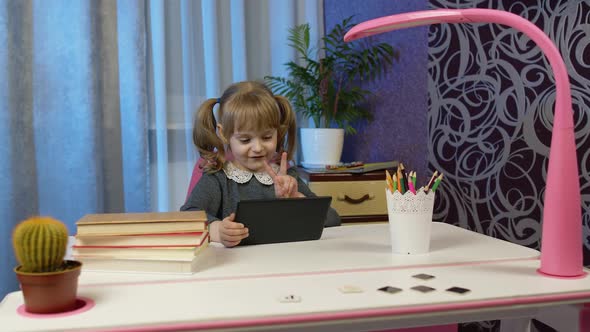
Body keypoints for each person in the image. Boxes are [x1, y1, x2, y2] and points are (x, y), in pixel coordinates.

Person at [181, 81, 340, 247]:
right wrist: (218, 231)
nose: (258, 148)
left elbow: (333, 219)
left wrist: (297, 200)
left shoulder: (286, 177)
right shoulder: (218, 178)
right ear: (224, 134)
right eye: (245, 140)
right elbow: (188, 217)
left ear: (277, 133)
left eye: (266, 137)